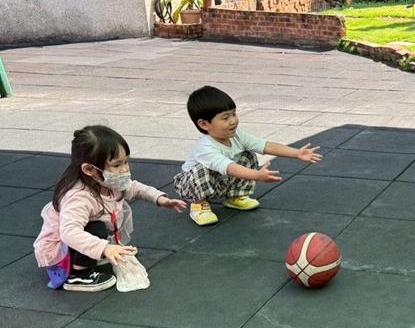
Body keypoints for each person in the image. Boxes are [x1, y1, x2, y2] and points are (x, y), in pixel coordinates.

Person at [34, 126, 186, 292]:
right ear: (90, 169)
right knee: (96, 227)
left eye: (126, 162)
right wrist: (105, 248)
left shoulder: (108, 183)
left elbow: (135, 188)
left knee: (108, 217)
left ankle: (95, 255)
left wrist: (160, 199)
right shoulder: (78, 197)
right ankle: (78, 274)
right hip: (60, 252)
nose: (125, 169)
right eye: (117, 164)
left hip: (75, 242)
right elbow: (69, 233)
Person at [176, 86, 323, 225]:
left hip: (220, 181)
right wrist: (257, 175)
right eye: (225, 118)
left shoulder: (237, 136)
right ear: (204, 124)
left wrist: (296, 153)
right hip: (192, 186)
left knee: (248, 155)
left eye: (234, 114)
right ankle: (199, 205)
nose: (233, 121)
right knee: (201, 168)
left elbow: (265, 145)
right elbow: (229, 167)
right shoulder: (205, 147)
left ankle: (234, 196)